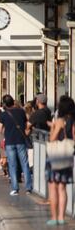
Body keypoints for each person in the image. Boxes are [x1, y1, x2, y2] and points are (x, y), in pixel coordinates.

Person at [45, 95, 75, 226]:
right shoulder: (73, 121)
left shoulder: (59, 121)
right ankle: (62, 217)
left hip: (55, 156)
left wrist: (53, 127)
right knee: (62, 188)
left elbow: (52, 139)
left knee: (53, 188)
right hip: (67, 155)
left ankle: (55, 217)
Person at [0, 94, 32, 196]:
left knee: (12, 165)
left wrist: (6, 130)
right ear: (13, 102)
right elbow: (26, 125)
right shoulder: (21, 111)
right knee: (25, 164)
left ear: (4, 104)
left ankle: (15, 188)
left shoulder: (3, 115)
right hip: (21, 141)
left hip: (10, 142)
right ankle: (28, 188)